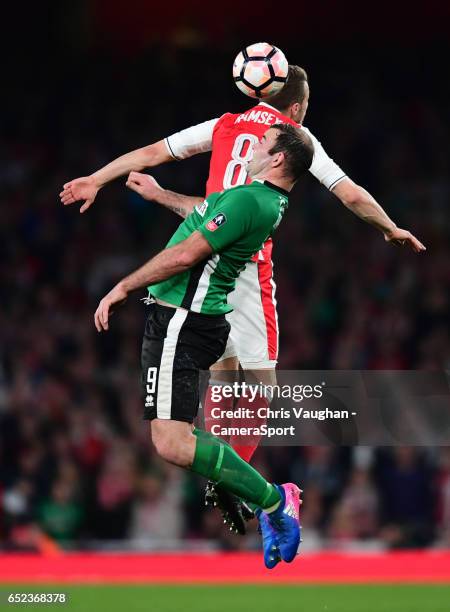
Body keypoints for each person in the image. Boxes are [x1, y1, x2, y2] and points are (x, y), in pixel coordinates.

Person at [60, 64, 425, 532]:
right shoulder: (295, 138)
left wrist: (97, 178)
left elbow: (156, 154)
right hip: (245, 267)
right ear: (295, 107)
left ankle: (227, 476)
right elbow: (349, 194)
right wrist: (389, 227)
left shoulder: (226, 124)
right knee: (259, 388)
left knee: (223, 375)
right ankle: (241, 483)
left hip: (207, 255)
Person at [94, 124, 314, 569]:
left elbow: (184, 255)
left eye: (263, 143)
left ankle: (272, 500)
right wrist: (160, 194)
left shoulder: (250, 199)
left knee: (173, 443)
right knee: (195, 429)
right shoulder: (259, 201)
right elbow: (206, 211)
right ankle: (254, 495)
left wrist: (122, 286)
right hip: (193, 317)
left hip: (183, 317)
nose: (251, 146)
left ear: (277, 159)